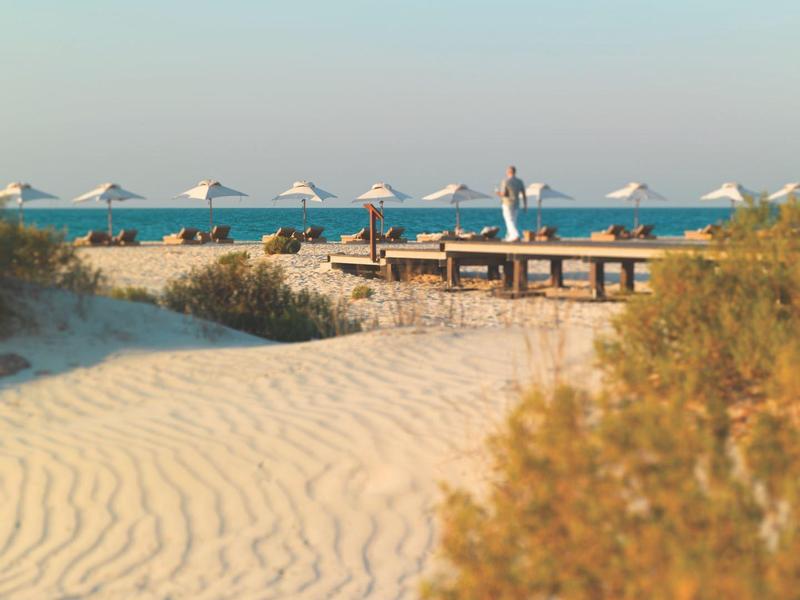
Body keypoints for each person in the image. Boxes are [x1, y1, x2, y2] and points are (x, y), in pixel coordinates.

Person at [496, 165, 526, 242]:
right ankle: (510, 236)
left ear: (509, 172)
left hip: (507, 203)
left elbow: (504, 194)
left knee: (509, 220)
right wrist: (525, 205)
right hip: (516, 203)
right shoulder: (520, 181)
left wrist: (497, 192)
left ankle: (515, 235)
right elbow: (523, 194)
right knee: (514, 220)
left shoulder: (505, 181)